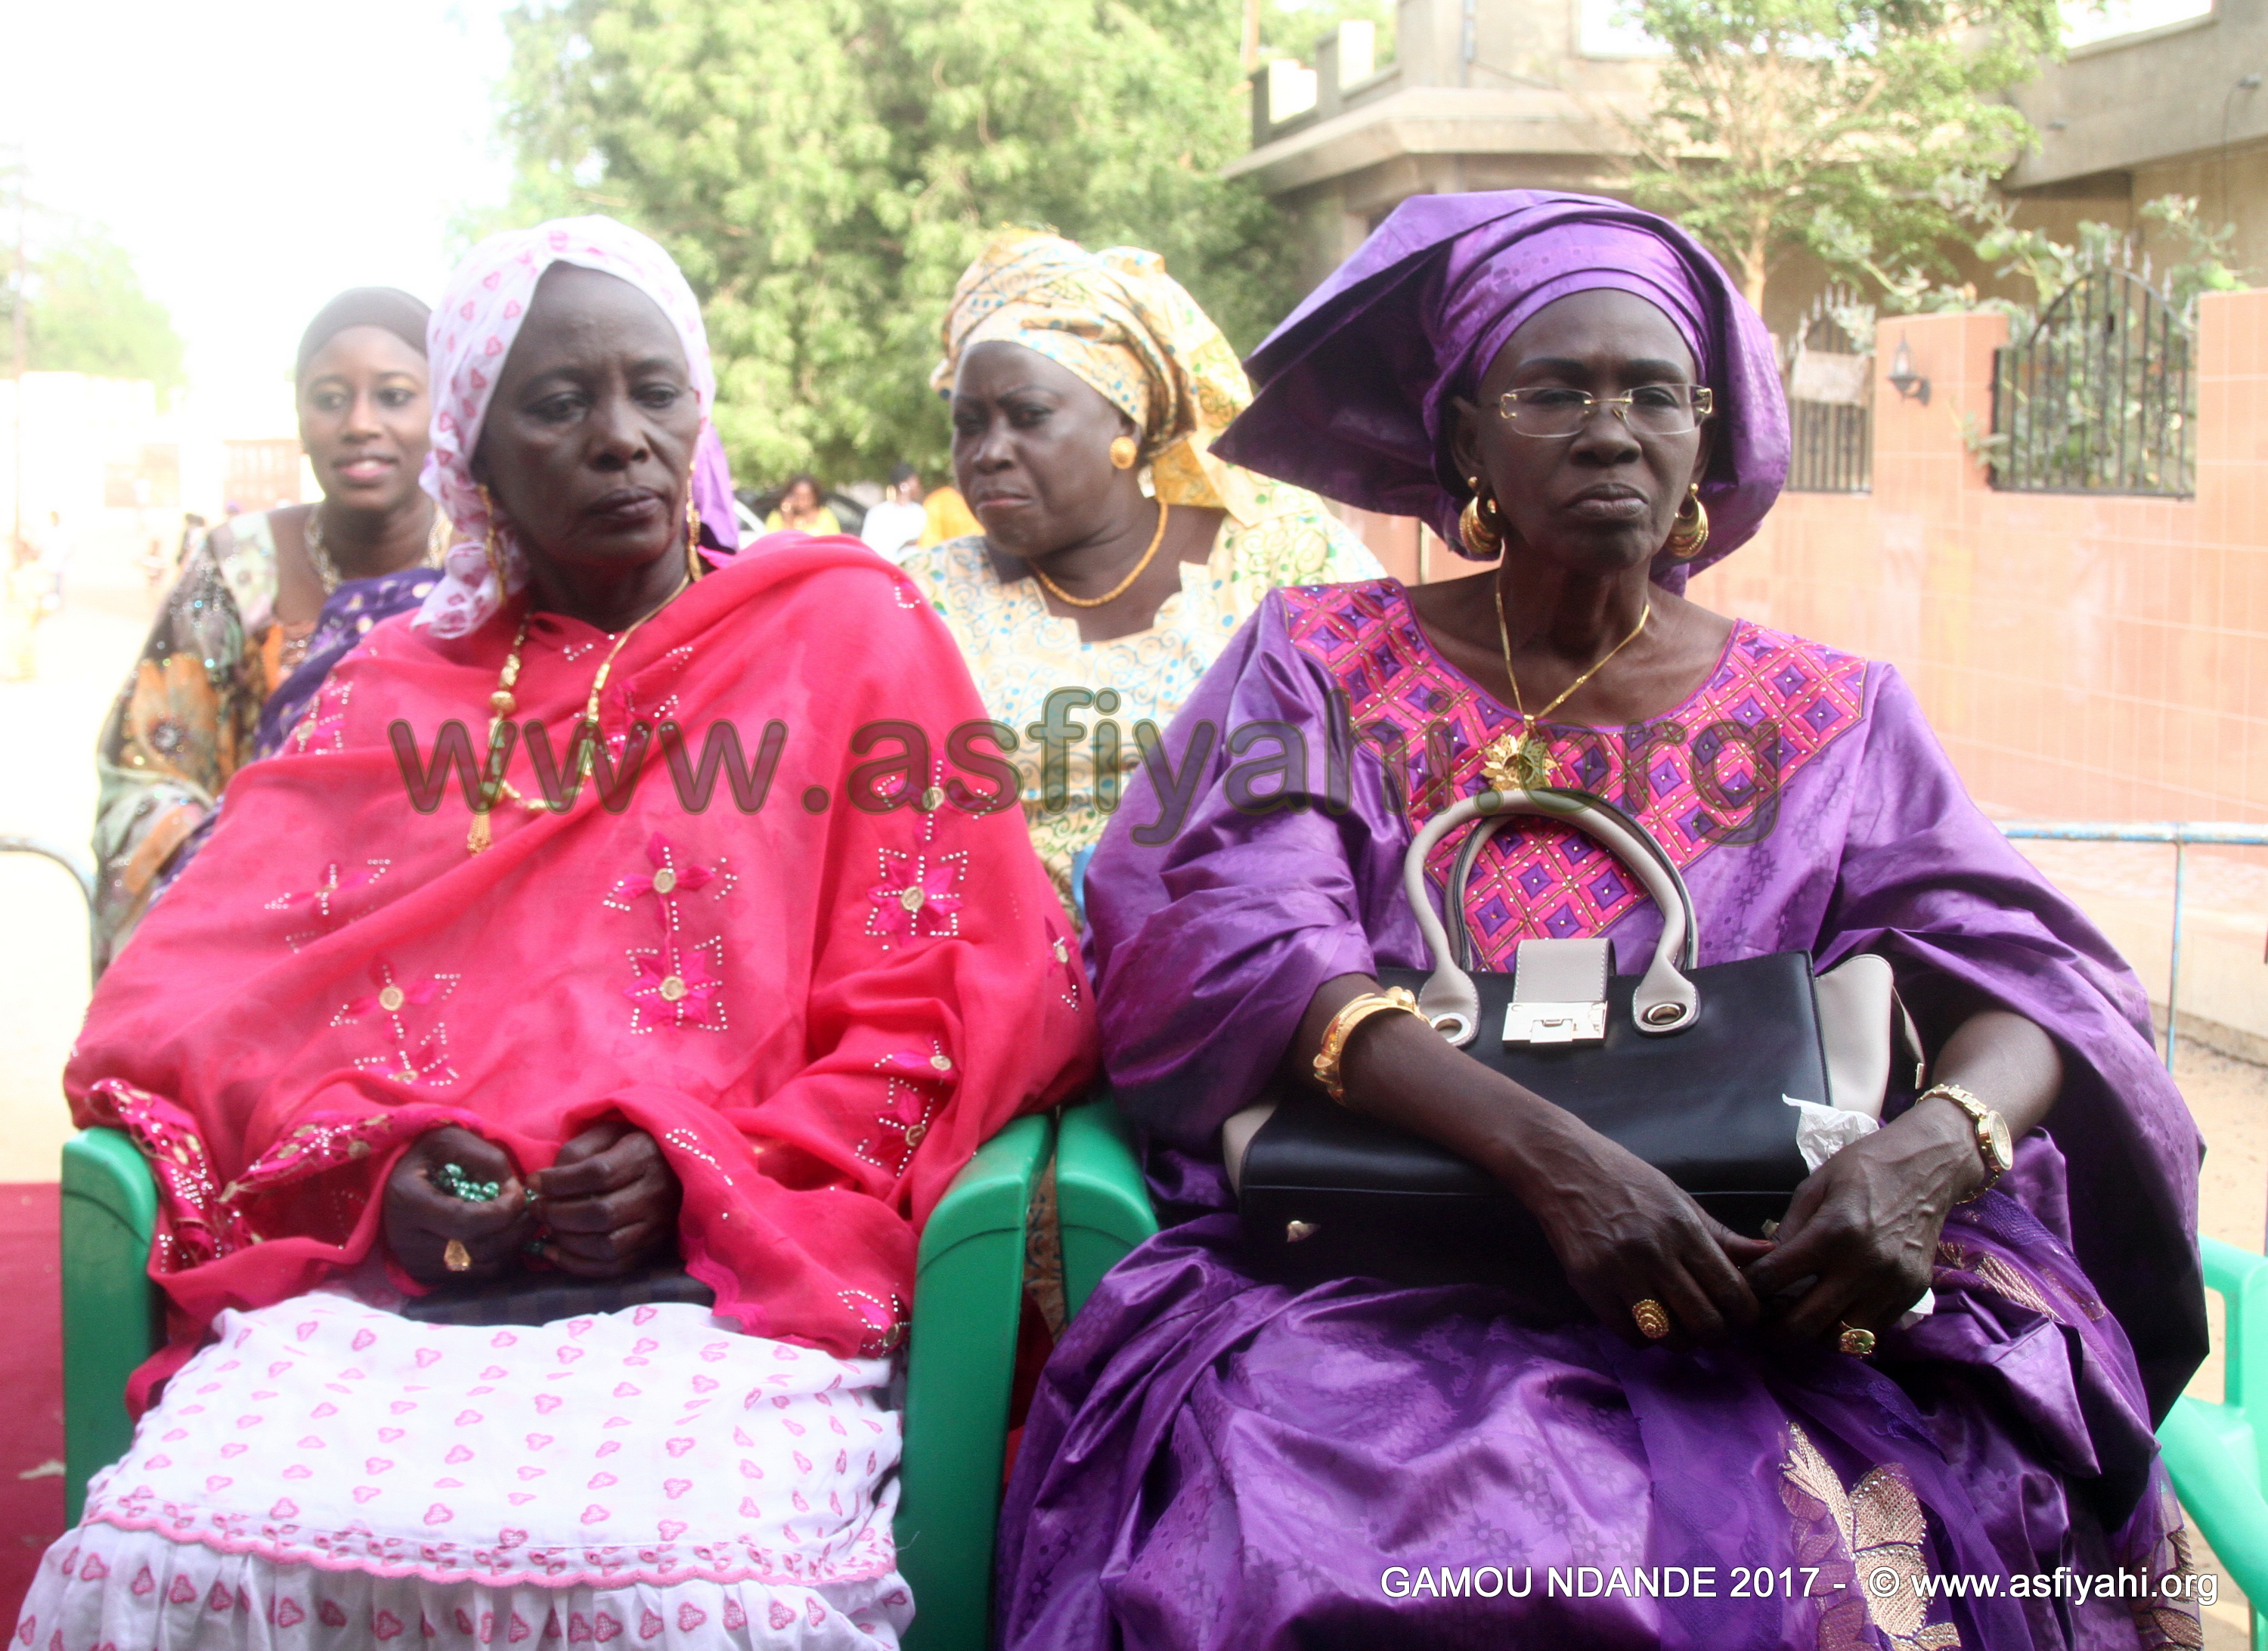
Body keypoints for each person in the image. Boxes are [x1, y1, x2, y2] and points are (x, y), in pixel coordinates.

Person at [996, 193, 2208, 1649]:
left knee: (1913, 1532)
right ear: (1464, 443)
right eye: (1554, 389)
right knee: (1328, 1534)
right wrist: (1561, 1168)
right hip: (1391, 1274)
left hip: (1771, 1275)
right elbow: (1232, 934)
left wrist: (1937, 1153)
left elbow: (2035, 973)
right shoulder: (1314, 659)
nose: (1611, 426)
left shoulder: (1833, 707)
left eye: (1654, 392)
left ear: (1705, 436)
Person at [20, 215, 1094, 1651]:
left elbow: (965, 985)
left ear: (700, 413)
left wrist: (701, 1168)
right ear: (472, 449)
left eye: (657, 392)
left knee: (694, 1586)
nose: (620, 437)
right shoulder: (386, 690)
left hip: (730, 1291)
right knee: (154, 1550)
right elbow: (183, 1014)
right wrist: (372, 1165)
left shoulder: (848, 634)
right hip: (385, 1304)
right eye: (558, 402)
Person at [902, 231, 1383, 918]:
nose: (990, 453)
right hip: (999, 988)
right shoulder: (921, 598)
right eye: (969, 424)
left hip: (1249, 973)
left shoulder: (1278, 558)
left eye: (1029, 416)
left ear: (1125, 417)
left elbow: (1391, 757)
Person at [90, 288, 451, 971]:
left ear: (446, 410)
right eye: (330, 397)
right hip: (251, 933)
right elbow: (149, 764)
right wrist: (249, 873)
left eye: (397, 396)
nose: (360, 424)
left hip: (442, 930)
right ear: (301, 416)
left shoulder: (489, 566)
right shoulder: (238, 566)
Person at [860, 463, 928, 560]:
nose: (918, 487)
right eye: (915, 482)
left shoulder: (919, 512)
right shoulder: (878, 513)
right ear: (904, 485)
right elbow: (868, 547)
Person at [766, 472, 842, 535]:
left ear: (815, 497)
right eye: (797, 496)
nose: (802, 501)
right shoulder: (776, 517)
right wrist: (788, 517)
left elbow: (836, 541)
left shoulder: (825, 516)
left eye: (807, 497)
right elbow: (776, 544)